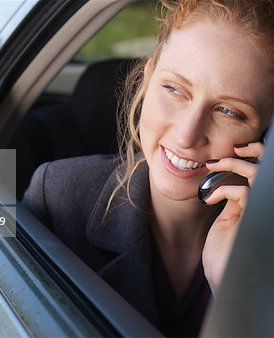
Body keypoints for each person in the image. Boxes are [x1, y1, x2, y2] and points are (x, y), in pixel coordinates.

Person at [22, 0, 274, 337]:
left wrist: (234, 287)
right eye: (173, 89)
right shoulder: (59, 199)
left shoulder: (266, 248)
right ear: (148, 77)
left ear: (266, 134)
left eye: (228, 111)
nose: (187, 135)